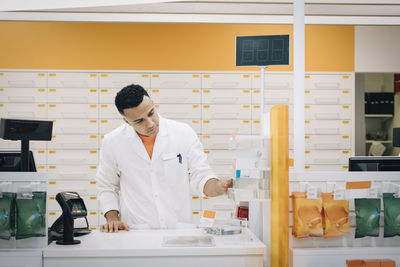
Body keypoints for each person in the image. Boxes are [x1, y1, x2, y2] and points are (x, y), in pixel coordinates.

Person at [96, 84, 233, 233]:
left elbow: (200, 176)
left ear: (153, 104)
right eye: (139, 121)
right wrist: (112, 218)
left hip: (178, 230)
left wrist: (219, 187)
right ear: (127, 121)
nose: (150, 124)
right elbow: (107, 186)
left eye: (151, 113)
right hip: (136, 232)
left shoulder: (183, 133)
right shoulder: (113, 142)